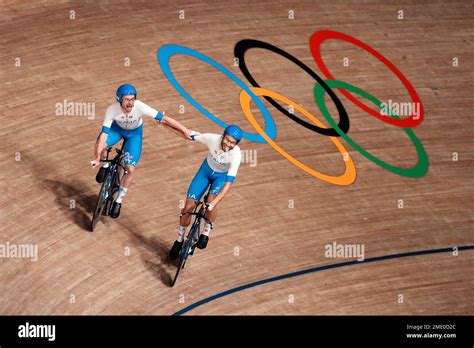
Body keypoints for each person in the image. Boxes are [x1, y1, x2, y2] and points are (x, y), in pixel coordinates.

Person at [90, 84, 190, 218]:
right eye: (127, 99)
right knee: (99, 145)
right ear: (119, 99)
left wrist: (184, 129)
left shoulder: (140, 106)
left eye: (133, 99)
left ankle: (119, 200)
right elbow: (104, 135)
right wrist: (97, 158)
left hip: (134, 135)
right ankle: (106, 165)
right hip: (116, 129)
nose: (130, 103)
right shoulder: (112, 110)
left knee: (129, 169)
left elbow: (164, 118)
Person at [169, 125, 243, 260]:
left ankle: (207, 230)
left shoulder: (236, 155)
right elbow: (188, 134)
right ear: (223, 136)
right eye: (227, 140)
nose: (228, 144)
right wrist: (165, 125)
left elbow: (227, 185)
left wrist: (214, 203)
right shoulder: (212, 139)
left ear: (236, 144)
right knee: (188, 208)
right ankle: (179, 240)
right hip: (205, 172)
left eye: (233, 142)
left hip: (221, 178)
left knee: (210, 202)